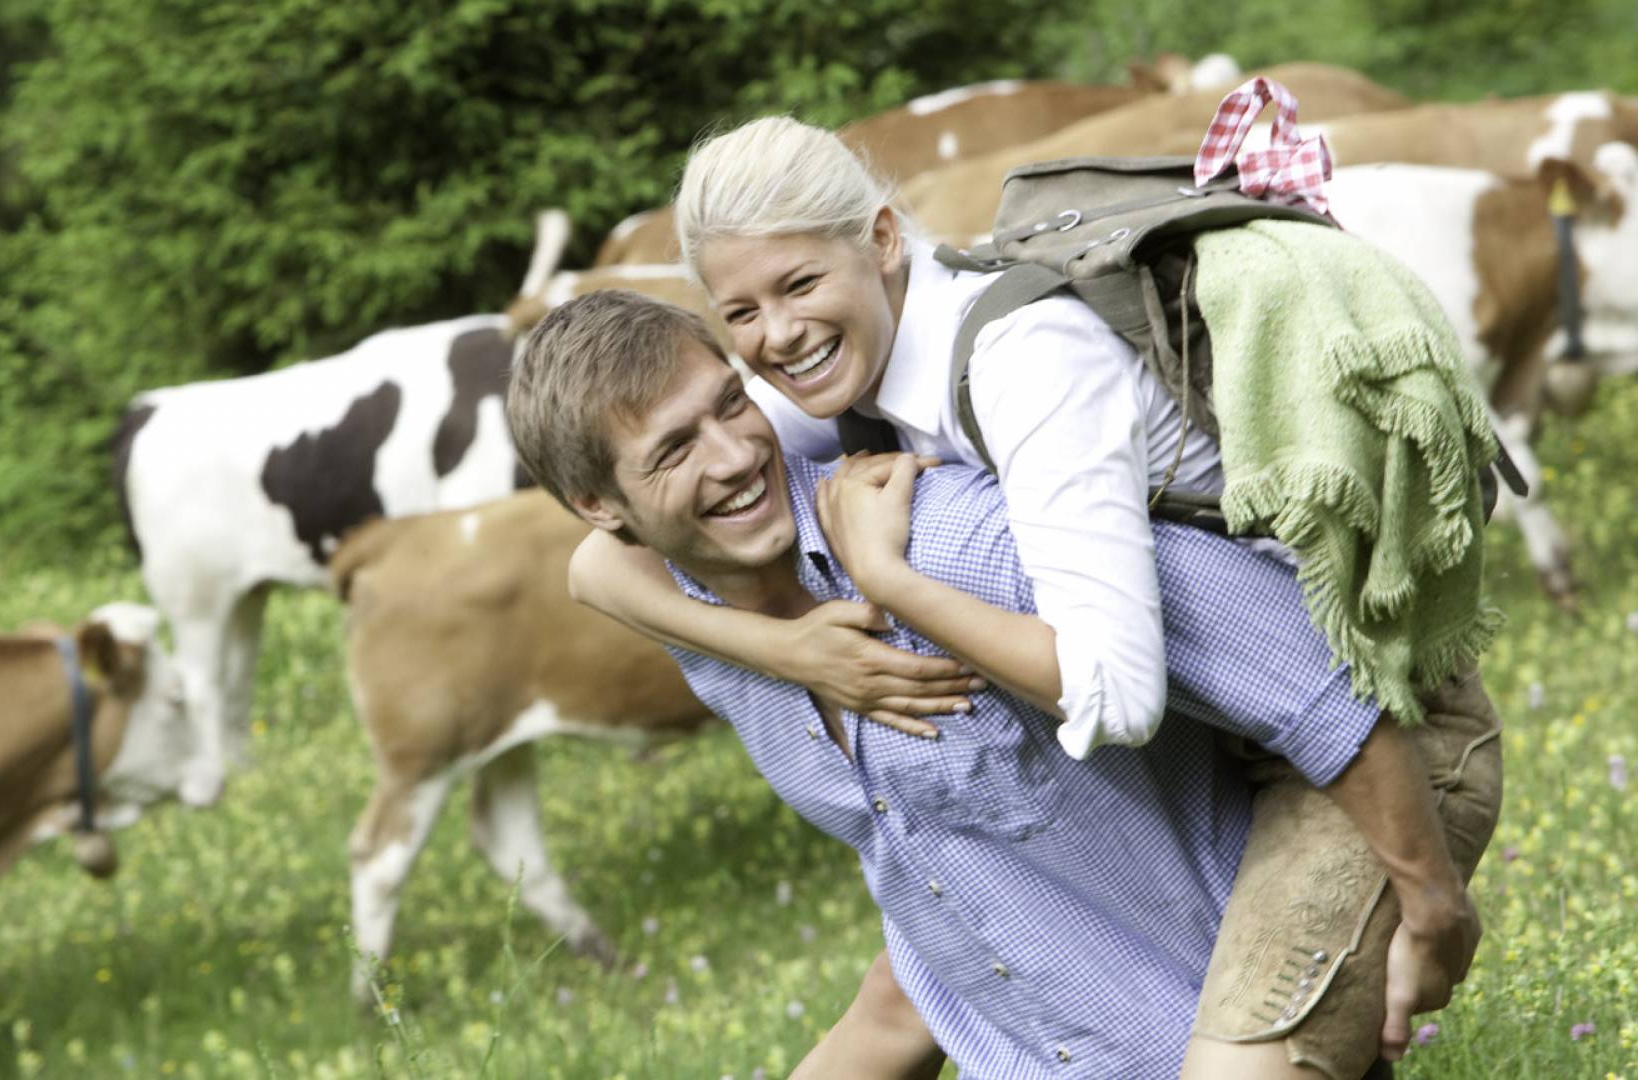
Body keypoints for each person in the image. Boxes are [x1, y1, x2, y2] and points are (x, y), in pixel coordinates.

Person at [507, 290, 1501, 1078]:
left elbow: (1311, 669)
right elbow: (927, 925)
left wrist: (1429, 902)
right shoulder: (702, 629)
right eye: (675, 451)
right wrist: (782, 647)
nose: (733, 456)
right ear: (603, 508)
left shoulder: (948, 539)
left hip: (1209, 1031)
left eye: (730, 404)